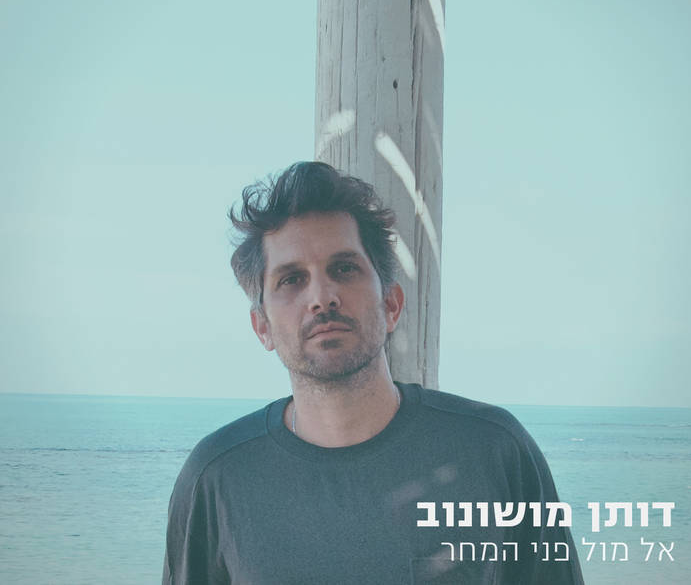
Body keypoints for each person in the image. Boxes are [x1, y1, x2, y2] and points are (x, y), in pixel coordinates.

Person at [162, 161, 584, 584]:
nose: (322, 297)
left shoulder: (493, 450)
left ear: (391, 305)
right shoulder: (217, 477)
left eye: (344, 268)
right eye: (291, 279)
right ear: (262, 328)